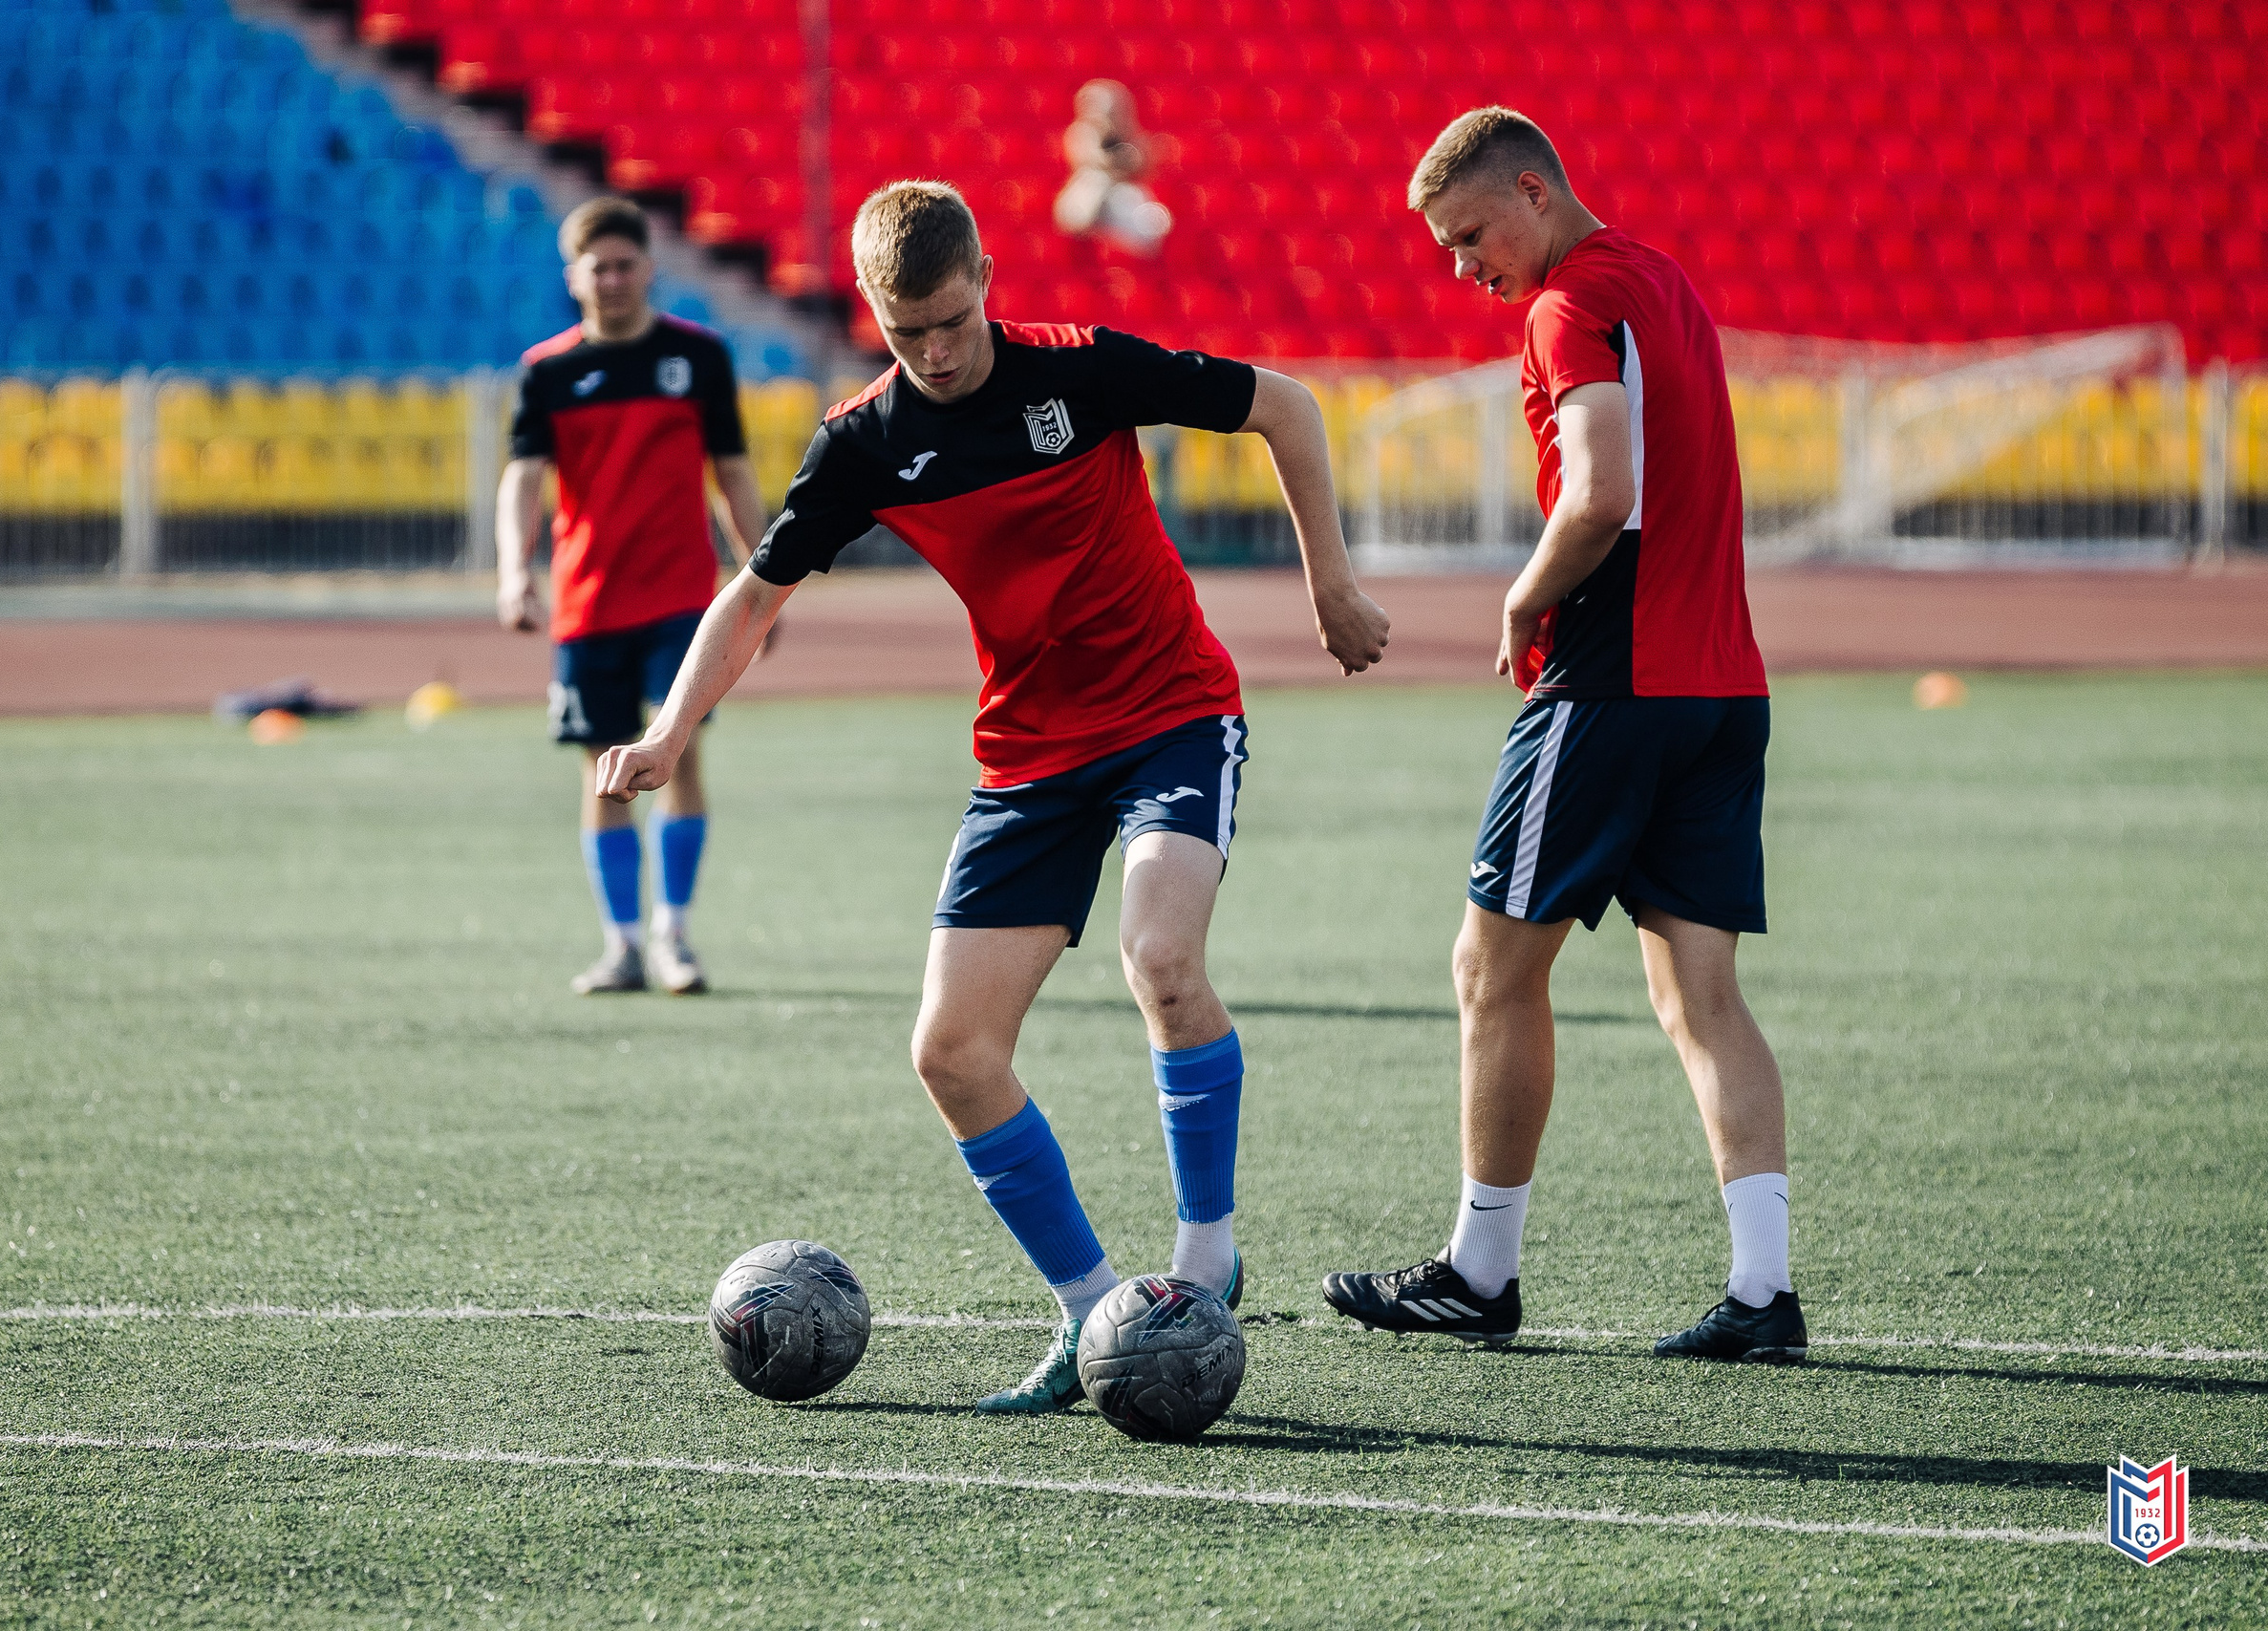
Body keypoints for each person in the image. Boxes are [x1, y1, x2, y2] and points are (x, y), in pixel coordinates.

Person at [598, 181, 1392, 1411]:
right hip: (1026, 756)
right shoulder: (864, 440)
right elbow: (752, 595)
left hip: (1171, 713)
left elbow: (1284, 407)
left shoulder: (1081, 373)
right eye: (906, 333)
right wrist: (667, 731)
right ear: (875, 315)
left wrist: (1328, 585)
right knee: (951, 1051)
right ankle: (1089, 1323)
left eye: (952, 322)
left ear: (986, 279)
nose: (935, 352)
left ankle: (1201, 1260)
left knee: (1161, 959)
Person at [1320, 108, 1803, 1363]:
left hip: (1612, 683)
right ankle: (1765, 1291)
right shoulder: (1664, 283)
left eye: (1472, 234)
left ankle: (1479, 1269)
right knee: (1701, 994)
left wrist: (1525, 595)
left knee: (1492, 968)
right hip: (1721, 688)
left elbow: (1600, 492)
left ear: (1534, 193)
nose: (1462, 267)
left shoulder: (1567, 306)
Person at [499, 197, 769, 997]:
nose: (613, 279)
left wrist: (761, 575)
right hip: (588, 603)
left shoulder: (699, 358)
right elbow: (524, 476)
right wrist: (516, 569)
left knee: (675, 754)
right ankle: (620, 944)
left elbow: (733, 471)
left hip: (683, 598)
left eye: (625, 264)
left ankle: (672, 936)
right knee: (601, 771)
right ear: (573, 277)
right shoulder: (547, 371)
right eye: (598, 267)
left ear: (650, 269)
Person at [1052, 79, 1173, 255]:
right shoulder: (1080, 133)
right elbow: (1091, 159)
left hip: (1119, 198)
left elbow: (1141, 164)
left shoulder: (1130, 136)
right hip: (1088, 195)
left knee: (1137, 204)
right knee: (1095, 182)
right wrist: (1118, 161)